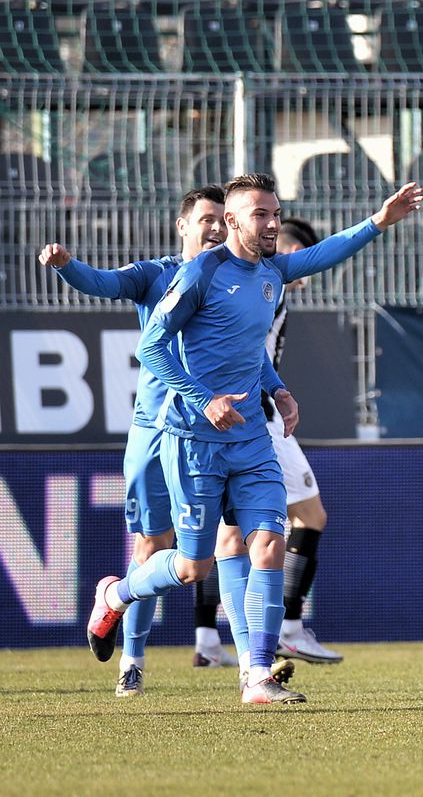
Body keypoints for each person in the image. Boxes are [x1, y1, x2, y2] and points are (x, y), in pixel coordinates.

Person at [85, 173, 423, 705]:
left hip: (250, 441)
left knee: (268, 542)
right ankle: (118, 592)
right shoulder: (201, 273)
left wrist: (379, 221)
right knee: (192, 565)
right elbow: (151, 349)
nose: (273, 224)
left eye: (276, 213)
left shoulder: (272, 272)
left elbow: (326, 255)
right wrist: (205, 399)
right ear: (233, 222)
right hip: (193, 439)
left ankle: (258, 674)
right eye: (261, 215)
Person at [39, 186, 253, 694]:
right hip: (156, 431)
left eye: (222, 220)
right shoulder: (155, 275)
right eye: (206, 220)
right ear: (183, 227)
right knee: (154, 544)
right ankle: (131, 662)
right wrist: (68, 265)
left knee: (234, 539)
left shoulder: (233, 280)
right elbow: (102, 282)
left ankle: (254, 664)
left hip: (214, 431)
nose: (217, 229)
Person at [262, 218, 343, 665]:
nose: (309, 268)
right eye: (304, 253)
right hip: (261, 420)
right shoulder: (268, 288)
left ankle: (250, 641)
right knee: (307, 518)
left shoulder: (266, 288)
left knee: (235, 539)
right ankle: (284, 630)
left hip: (259, 416)